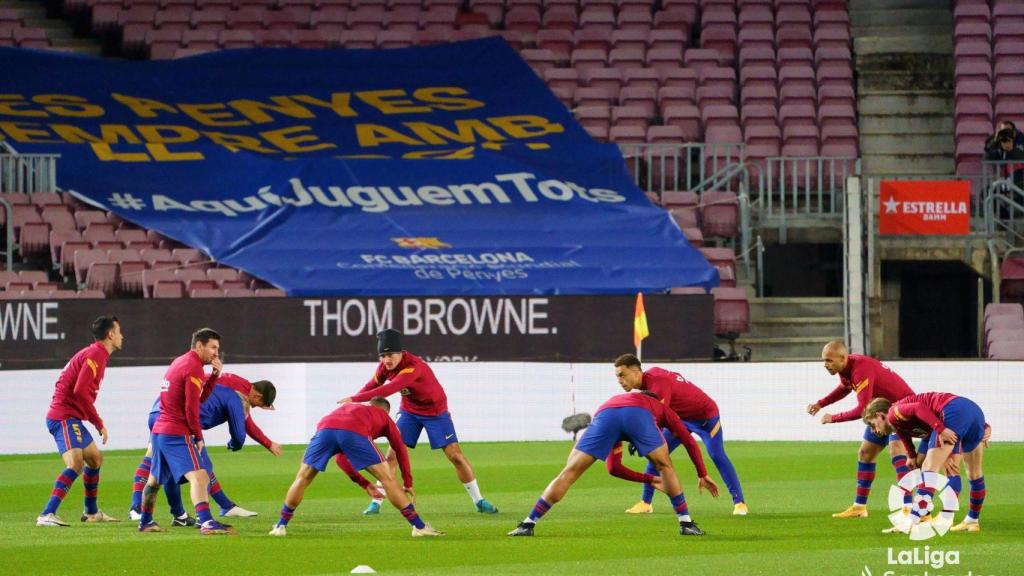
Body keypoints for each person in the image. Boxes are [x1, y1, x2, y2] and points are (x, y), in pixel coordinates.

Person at [507, 390, 719, 537]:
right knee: (665, 465)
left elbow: (613, 468)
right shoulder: (659, 407)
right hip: (637, 416)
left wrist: (648, 479)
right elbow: (688, 440)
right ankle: (686, 523)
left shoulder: (614, 402)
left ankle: (528, 523)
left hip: (606, 414)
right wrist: (702, 472)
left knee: (569, 472)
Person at [337, 329, 497, 515]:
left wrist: (353, 399)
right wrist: (355, 401)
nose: (386, 360)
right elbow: (372, 386)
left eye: (390, 355)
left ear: (400, 352)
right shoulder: (384, 367)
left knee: (455, 456)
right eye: (382, 355)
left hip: (436, 412)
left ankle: (479, 500)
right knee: (392, 455)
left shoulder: (413, 366)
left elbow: (389, 389)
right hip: (409, 412)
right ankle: (377, 501)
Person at [269, 396, 443, 537]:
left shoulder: (349, 408)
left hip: (325, 429)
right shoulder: (384, 417)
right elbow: (400, 450)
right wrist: (408, 481)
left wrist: (365, 484)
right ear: (386, 411)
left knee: (303, 477)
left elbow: (340, 459)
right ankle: (419, 527)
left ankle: (280, 526)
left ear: (369, 404)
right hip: (354, 432)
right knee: (387, 479)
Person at [128, 373, 280, 524]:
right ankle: (204, 518)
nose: (253, 408)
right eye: (258, 405)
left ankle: (172, 514)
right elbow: (241, 426)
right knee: (203, 468)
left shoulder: (231, 382)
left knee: (161, 463)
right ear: (258, 396)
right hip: (179, 418)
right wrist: (237, 444)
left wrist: (267, 443)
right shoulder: (236, 393)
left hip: (162, 408)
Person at [613, 354, 747, 516]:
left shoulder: (657, 385)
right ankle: (645, 503)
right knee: (657, 454)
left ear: (635, 372)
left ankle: (739, 503)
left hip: (706, 418)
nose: (619, 380)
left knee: (717, 455)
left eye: (622, 375)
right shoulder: (651, 379)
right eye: (617, 376)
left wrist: (637, 437)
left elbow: (657, 418)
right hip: (681, 419)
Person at [138, 328, 232, 535]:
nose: (216, 353)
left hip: (160, 431)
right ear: (199, 346)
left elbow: (197, 400)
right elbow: (192, 408)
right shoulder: (193, 367)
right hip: (175, 431)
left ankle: (145, 521)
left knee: (154, 481)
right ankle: (207, 522)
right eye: (213, 347)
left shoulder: (180, 362)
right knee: (200, 476)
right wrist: (198, 436)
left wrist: (215, 376)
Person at [808, 340, 916, 519]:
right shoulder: (846, 369)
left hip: (902, 409)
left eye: (828, 360)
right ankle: (859, 507)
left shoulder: (861, 369)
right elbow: (844, 388)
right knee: (865, 453)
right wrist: (821, 403)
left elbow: (862, 409)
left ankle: (908, 508)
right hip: (881, 412)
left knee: (897, 451)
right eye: (824, 360)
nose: (825, 365)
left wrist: (833, 418)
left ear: (843, 358)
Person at [37, 316, 123, 527]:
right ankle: (47, 514)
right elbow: (81, 391)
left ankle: (91, 512)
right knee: (75, 463)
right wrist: (98, 422)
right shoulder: (95, 354)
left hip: (71, 416)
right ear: (110, 335)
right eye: (119, 331)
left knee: (94, 459)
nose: (122, 335)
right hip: (64, 416)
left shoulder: (96, 354)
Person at [862, 392, 990, 533]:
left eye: (873, 425)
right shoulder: (899, 424)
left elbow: (918, 407)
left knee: (929, 469)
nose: (874, 431)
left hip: (953, 411)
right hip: (974, 412)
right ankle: (972, 520)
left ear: (880, 415)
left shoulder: (893, 412)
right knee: (972, 473)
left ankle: (912, 521)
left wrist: (940, 430)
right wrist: (911, 454)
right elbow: (903, 433)